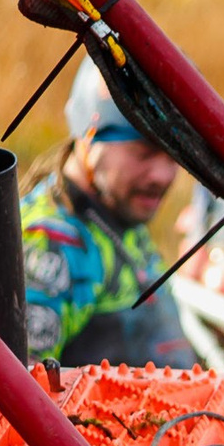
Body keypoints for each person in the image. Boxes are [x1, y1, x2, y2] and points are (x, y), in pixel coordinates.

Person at [21, 60, 198, 370]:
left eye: (174, 155)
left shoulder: (119, 208)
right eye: (143, 153)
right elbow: (24, 391)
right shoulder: (50, 242)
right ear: (89, 139)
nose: (162, 174)